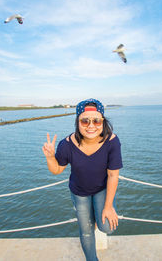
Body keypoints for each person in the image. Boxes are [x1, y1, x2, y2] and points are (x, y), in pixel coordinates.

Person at [42, 98, 123, 261]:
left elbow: (113, 175)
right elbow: (57, 170)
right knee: (86, 231)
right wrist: (50, 157)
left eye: (96, 121)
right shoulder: (66, 144)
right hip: (80, 193)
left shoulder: (112, 142)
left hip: (102, 189)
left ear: (103, 121)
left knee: (106, 227)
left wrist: (108, 207)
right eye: (85, 121)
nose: (91, 126)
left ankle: (98, 213)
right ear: (77, 122)